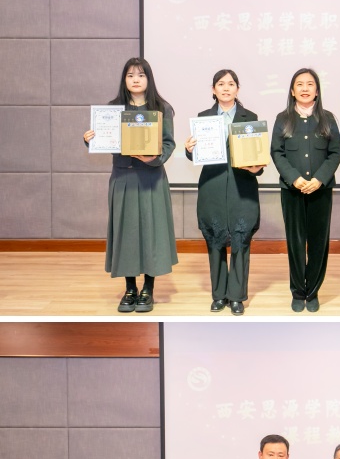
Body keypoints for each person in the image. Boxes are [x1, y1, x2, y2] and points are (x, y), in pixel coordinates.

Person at [83, 55, 177, 314]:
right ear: (124, 79)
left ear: (149, 79)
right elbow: (106, 140)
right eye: (130, 75)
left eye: (141, 75)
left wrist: (153, 157)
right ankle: (130, 288)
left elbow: (168, 144)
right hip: (123, 177)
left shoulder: (162, 108)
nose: (136, 80)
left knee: (151, 231)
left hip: (151, 178)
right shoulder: (113, 109)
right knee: (126, 232)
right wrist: (91, 139)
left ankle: (148, 288)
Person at [184, 67, 263, 314]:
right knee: (215, 239)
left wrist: (257, 166)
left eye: (231, 84)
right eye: (221, 84)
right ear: (213, 89)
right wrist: (189, 149)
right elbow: (197, 155)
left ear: (237, 89)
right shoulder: (203, 118)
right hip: (213, 185)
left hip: (242, 185)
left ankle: (237, 296)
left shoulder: (250, 117)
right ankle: (219, 295)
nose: (226, 88)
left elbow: (257, 155)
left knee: (241, 239)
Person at [270, 66, 340, 313]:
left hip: (320, 190)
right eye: (299, 84)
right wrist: (294, 178)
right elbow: (277, 152)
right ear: (292, 91)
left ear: (317, 91)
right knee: (295, 242)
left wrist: (320, 179)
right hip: (291, 190)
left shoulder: (327, 118)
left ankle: (312, 291)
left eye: (310, 84)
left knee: (318, 242)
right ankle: (297, 291)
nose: (305, 88)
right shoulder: (283, 118)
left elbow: (335, 152)